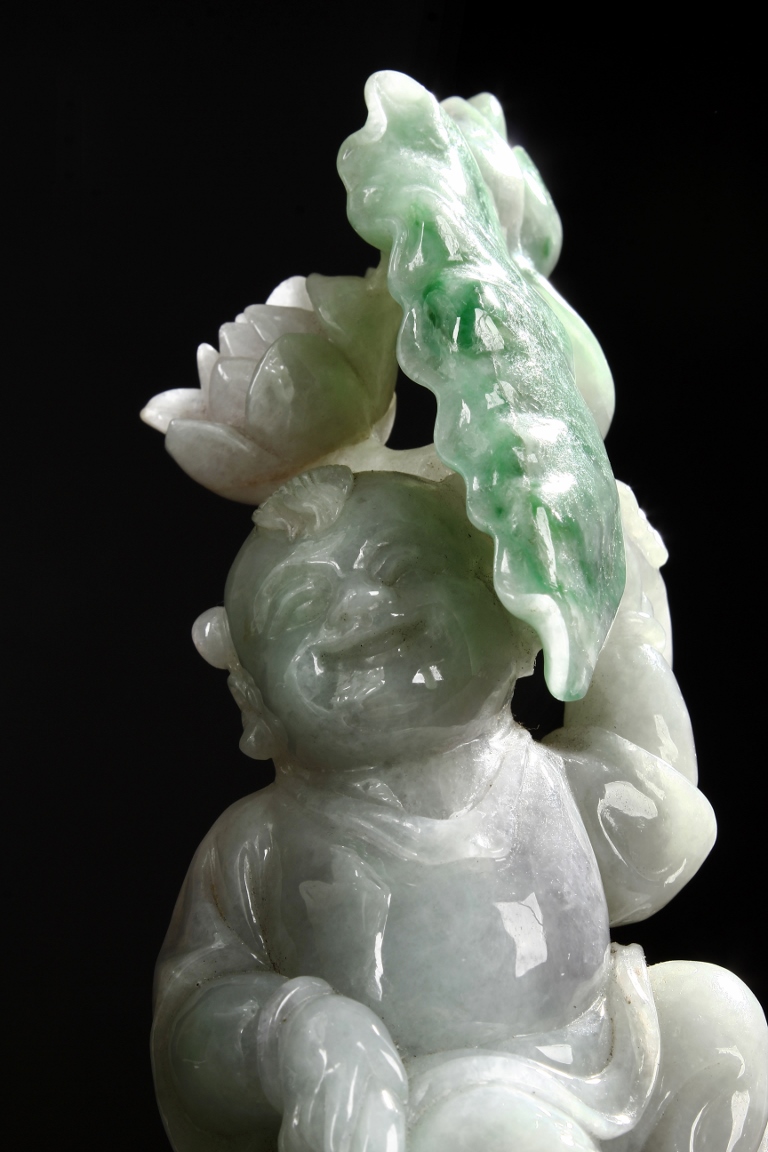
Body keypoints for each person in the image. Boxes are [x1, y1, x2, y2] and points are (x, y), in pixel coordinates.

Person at [151, 465, 768, 1152]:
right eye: (301, 605)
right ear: (253, 704)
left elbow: (663, 833)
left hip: (600, 1051)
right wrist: (297, 1035)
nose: (357, 606)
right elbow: (194, 1022)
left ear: (515, 620)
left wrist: (611, 604)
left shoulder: (551, 781)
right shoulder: (261, 841)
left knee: (717, 1016)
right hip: (428, 1105)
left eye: (401, 569)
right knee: (502, 1132)